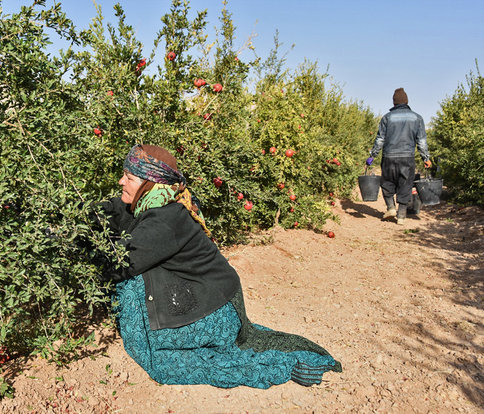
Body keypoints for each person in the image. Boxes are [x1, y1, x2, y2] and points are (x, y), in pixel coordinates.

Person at [96, 144, 342, 389]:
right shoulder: (153, 203)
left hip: (216, 311)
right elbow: (115, 210)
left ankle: (285, 366)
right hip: (211, 294)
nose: (121, 181)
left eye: (129, 177)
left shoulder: (166, 219)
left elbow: (118, 265)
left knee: (163, 362)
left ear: (149, 183)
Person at [366, 88, 432, 224]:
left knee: (387, 182)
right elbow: (421, 141)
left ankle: (390, 207)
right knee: (405, 184)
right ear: (406, 102)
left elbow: (380, 139)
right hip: (407, 158)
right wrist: (426, 158)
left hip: (389, 156)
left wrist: (372, 156)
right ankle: (401, 215)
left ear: (394, 103)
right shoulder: (417, 118)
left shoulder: (387, 118)